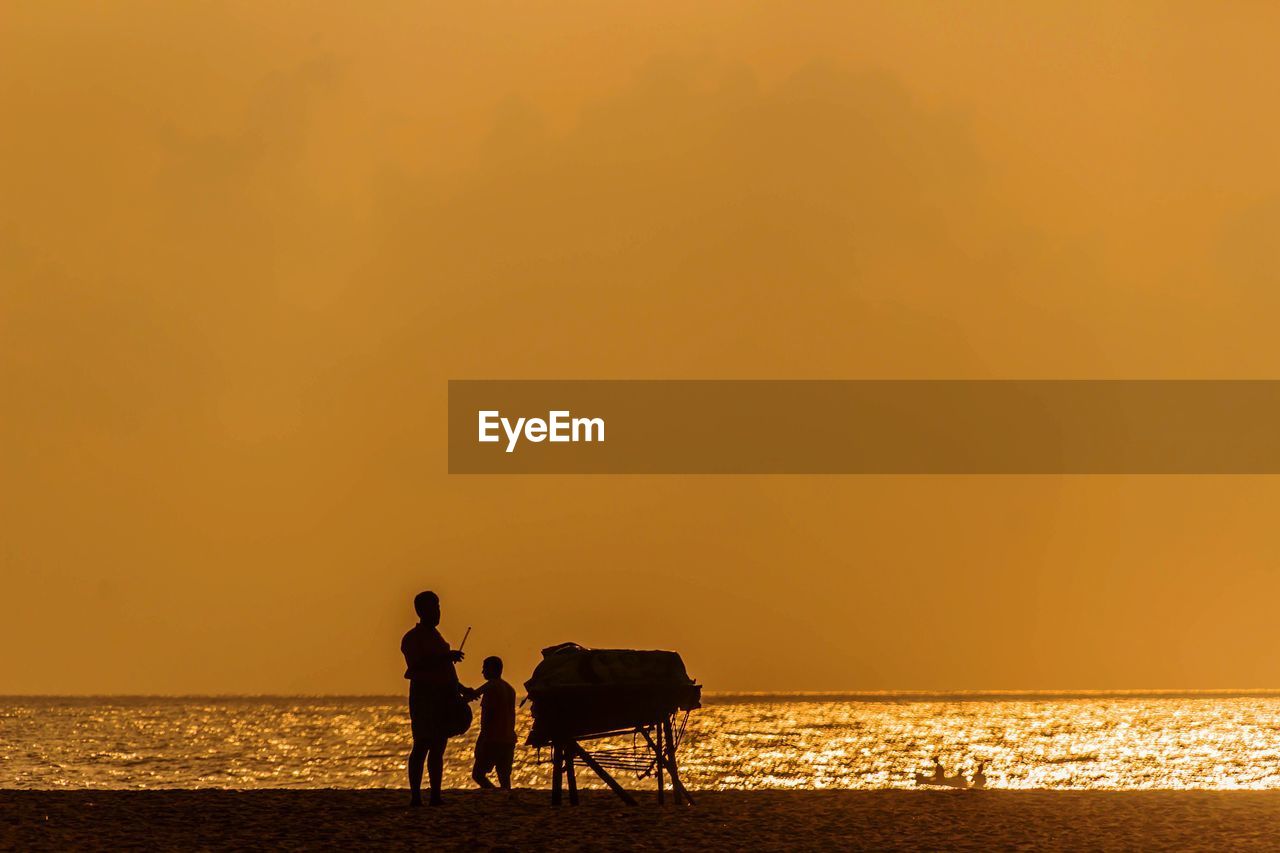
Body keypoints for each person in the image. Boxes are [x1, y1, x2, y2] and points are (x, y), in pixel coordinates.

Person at [401, 591, 465, 806]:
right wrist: (446, 657)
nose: (438, 612)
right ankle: (416, 796)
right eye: (433, 608)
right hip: (424, 697)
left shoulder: (437, 636)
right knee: (421, 745)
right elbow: (417, 666)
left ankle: (436, 795)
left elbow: (446, 671)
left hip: (444, 697)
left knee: (438, 747)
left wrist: (462, 689)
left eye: (438, 607)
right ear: (421, 611)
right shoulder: (412, 638)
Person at [465, 655, 517, 791]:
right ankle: (505, 797)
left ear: (492, 669)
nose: (482, 672)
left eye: (484, 668)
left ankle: (494, 793)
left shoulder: (491, 686)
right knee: (504, 777)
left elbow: (487, 716)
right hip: (508, 738)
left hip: (493, 738)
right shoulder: (510, 689)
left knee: (478, 775)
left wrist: (482, 739)